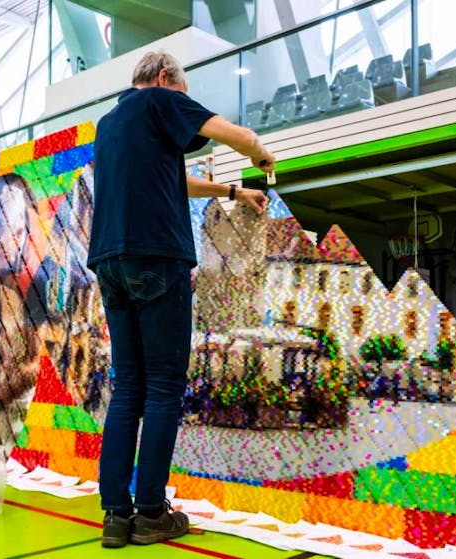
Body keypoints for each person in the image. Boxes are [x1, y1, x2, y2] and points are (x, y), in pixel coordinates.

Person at [88, 50, 276, 548]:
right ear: (167, 78)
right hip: (157, 259)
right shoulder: (159, 100)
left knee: (128, 385)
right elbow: (233, 134)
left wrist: (233, 192)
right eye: (183, 95)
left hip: (110, 261)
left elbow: (175, 181)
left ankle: (115, 514)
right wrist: (259, 152)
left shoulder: (110, 125)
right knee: (165, 385)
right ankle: (151, 511)